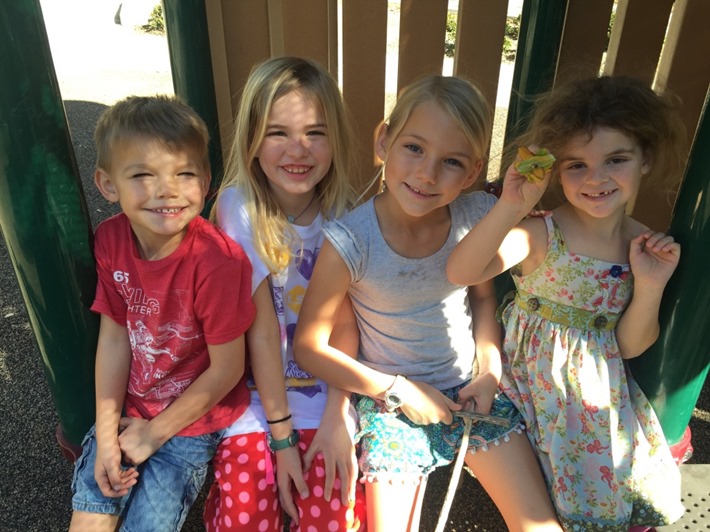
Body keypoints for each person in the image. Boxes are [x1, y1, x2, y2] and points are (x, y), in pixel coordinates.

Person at [293, 74, 562, 532]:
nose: (427, 174)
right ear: (384, 141)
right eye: (414, 148)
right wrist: (396, 390)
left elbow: (483, 301)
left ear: (473, 172)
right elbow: (309, 348)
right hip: (393, 406)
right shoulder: (349, 240)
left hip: (473, 395)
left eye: (451, 161)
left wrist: (489, 371)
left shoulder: (477, 216)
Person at [446, 75, 687, 531]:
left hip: (589, 400)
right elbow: (461, 271)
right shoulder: (541, 233)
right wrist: (511, 206)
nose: (596, 178)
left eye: (616, 159)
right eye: (577, 165)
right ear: (556, 169)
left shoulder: (641, 245)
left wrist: (651, 284)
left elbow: (629, 345)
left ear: (646, 159)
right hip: (524, 389)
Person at [69, 95, 255, 532]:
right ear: (108, 184)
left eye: (183, 173)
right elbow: (115, 338)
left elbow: (227, 368)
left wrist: (155, 433)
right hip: (132, 407)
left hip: (192, 423)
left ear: (205, 181)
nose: (167, 189)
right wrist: (106, 434)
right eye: (142, 175)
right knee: (90, 517)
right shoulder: (110, 240)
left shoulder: (217, 261)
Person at [202, 56, 366, 531]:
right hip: (256, 404)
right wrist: (281, 438)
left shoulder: (347, 215)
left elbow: (345, 326)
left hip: (326, 397)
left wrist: (337, 416)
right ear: (252, 141)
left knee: (329, 515)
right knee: (246, 515)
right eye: (278, 133)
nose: (299, 149)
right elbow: (261, 330)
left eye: (315, 132)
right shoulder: (238, 207)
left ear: (335, 139)